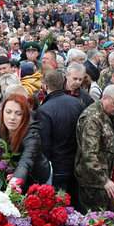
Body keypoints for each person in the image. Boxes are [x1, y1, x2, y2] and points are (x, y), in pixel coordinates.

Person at [75, 84, 114, 211]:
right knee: (96, 218)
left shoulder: (108, 113)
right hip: (92, 180)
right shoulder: (92, 118)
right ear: (106, 98)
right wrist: (105, 181)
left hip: (102, 175)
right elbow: (90, 154)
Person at [0, 93, 51, 188]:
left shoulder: (32, 130)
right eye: (8, 112)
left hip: (35, 176)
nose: (12, 118)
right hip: (7, 175)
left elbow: (27, 160)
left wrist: (16, 179)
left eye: (18, 113)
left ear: (25, 116)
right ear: (2, 112)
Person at [36, 70, 84, 198]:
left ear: (45, 86)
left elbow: (44, 145)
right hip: (76, 163)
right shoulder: (77, 103)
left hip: (57, 167)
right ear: (64, 83)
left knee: (59, 206)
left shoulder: (44, 110)